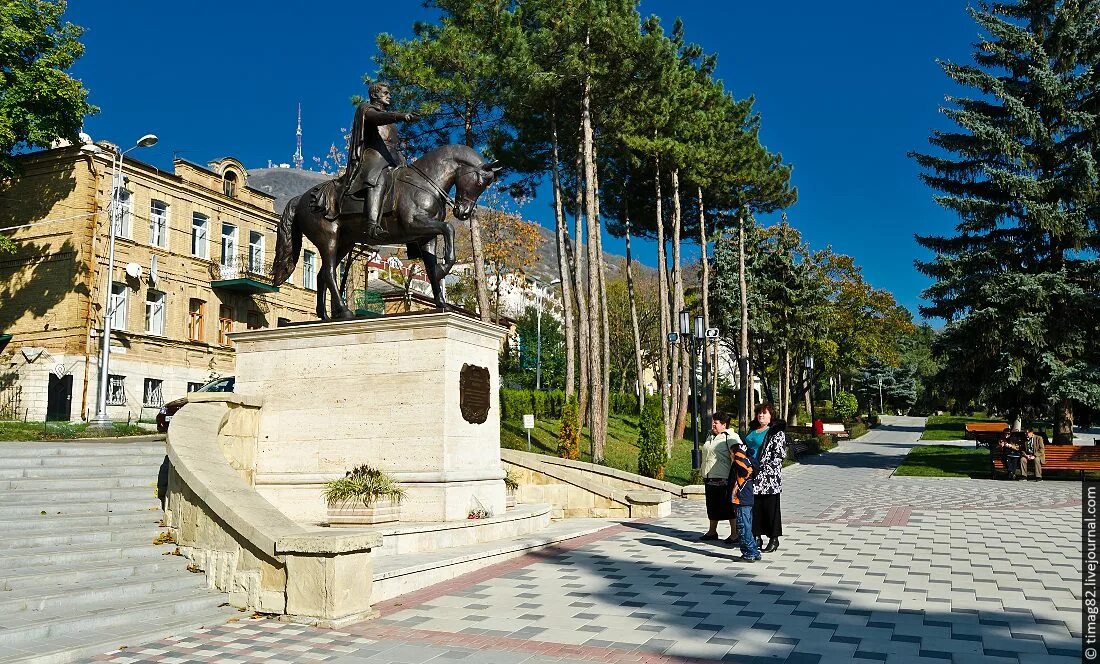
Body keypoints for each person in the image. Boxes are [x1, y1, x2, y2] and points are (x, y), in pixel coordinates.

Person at [331, 82, 419, 236]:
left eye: (388, 93)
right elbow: (377, 118)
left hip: (394, 158)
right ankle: (372, 225)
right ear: (374, 95)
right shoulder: (366, 109)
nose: (389, 96)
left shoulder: (389, 122)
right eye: (385, 93)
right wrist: (401, 115)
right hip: (375, 157)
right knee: (379, 179)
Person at [749, 403, 787, 553]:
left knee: (770, 509)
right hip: (751, 475)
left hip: (768, 478)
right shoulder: (753, 430)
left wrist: (761, 466)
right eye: (759, 413)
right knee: (755, 508)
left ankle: (774, 538)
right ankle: (756, 536)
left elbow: (778, 456)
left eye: (764, 413)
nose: (761, 415)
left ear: (771, 416)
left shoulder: (776, 433)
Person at [698, 412, 741, 543]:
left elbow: (738, 454)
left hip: (724, 479)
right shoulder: (710, 436)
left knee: (728, 508)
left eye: (716, 422)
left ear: (724, 425)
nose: (713, 424)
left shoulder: (731, 437)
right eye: (713, 421)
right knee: (711, 506)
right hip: (710, 477)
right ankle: (712, 532)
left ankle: (735, 534)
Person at [728, 434, 761, 562]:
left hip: (742, 500)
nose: (731, 456)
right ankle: (753, 551)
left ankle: (749, 553)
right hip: (744, 500)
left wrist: (739, 452)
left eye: (731, 454)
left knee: (743, 528)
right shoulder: (745, 463)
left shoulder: (742, 464)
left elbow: (741, 464)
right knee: (746, 527)